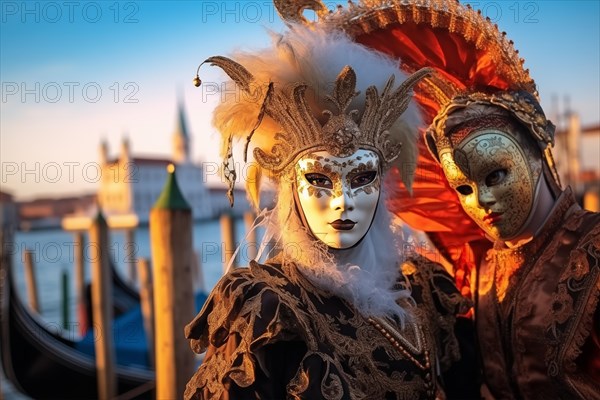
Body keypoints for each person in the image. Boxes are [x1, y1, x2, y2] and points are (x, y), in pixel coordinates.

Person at [184, 27, 478, 399]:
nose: (343, 200)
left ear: (384, 181)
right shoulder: (269, 312)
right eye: (320, 179)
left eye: (361, 177)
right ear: (291, 186)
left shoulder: (426, 290)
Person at [425, 90, 600, 399]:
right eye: (464, 188)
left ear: (535, 153)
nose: (480, 200)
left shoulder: (594, 247)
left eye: (495, 174)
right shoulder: (482, 265)